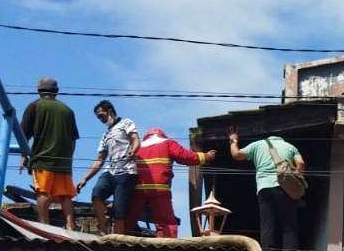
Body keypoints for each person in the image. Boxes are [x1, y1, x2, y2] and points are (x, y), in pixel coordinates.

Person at [18, 77, 79, 230]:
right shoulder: (67, 110)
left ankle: (44, 227)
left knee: (42, 191)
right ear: (56, 91)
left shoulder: (35, 106)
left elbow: (23, 135)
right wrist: (68, 158)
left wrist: (24, 156)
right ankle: (70, 225)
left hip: (42, 159)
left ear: (39, 90)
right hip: (64, 160)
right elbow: (73, 138)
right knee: (66, 195)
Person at [227, 129, 304, 250]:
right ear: (281, 139)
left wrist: (233, 140)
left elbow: (236, 155)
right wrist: (295, 176)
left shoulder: (257, 144)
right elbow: (301, 164)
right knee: (289, 224)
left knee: (267, 223)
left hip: (264, 188)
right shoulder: (290, 147)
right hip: (285, 187)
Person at [129, 127, 213, 238]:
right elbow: (186, 156)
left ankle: (122, 242)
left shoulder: (137, 147)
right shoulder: (167, 143)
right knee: (166, 224)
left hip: (138, 189)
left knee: (129, 218)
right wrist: (206, 156)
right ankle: (166, 250)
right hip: (159, 188)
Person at [75, 100, 139, 233]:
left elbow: (135, 139)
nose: (101, 119)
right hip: (111, 171)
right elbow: (100, 159)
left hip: (126, 171)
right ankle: (104, 229)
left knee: (119, 213)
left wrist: (133, 150)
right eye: (98, 117)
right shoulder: (106, 135)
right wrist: (85, 178)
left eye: (101, 115)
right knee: (96, 194)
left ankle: (117, 243)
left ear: (109, 111)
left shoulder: (125, 123)